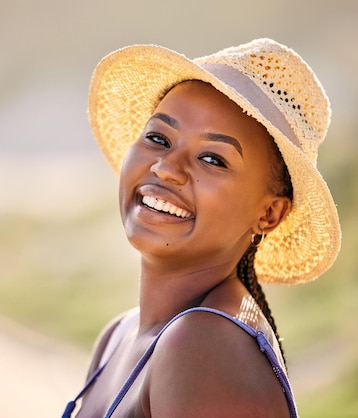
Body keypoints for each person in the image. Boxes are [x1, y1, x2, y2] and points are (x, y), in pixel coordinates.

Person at [63, 38, 341, 418]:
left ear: (270, 214)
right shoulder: (118, 337)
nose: (165, 168)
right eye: (158, 138)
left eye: (212, 159)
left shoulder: (202, 346)